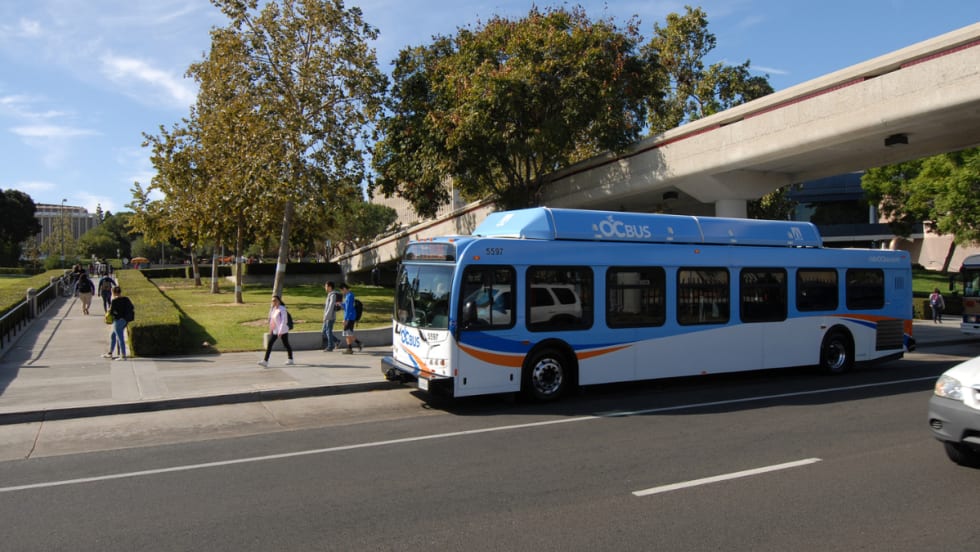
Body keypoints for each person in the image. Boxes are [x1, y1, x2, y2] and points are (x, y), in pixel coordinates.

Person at [259, 295, 294, 367]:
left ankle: (290, 359)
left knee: (286, 344)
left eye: (274, 300)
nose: (273, 302)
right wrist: (271, 329)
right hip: (275, 330)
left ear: (278, 301)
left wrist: (280, 331)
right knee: (270, 344)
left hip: (283, 330)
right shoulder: (274, 309)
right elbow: (272, 320)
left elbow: (284, 321)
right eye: (272, 301)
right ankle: (265, 361)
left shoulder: (282, 309)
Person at [107, 286, 135, 361]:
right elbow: (132, 307)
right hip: (124, 320)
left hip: (118, 321)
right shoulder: (126, 299)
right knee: (113, 335)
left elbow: (112, 311)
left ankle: (123, 355)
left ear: (113, 292)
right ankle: (110, 353)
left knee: (120, 338)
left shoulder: (114, 301)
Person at [339, 283, 363, 354]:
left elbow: (349, 309)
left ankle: (351, 348)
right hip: (351, 316)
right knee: (348, 333)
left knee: (347, 333)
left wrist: (345, 319)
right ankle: (356, 345)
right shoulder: (348, 296)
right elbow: (347, 306)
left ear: (344, 289)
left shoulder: (349, 296)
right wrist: (341, 304)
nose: (341, 292)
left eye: (341, 290)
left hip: (350, 317)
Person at [321, 281, 341, 352]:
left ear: (329, 287)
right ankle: (337, 341)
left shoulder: (333, 295)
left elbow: (330, 307)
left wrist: (326, 317)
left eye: (326, 286)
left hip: (330, 317)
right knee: (324, 332)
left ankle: (330, 346)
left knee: (328, 332)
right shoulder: (330, 294)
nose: (325, 288)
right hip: (328, 316)